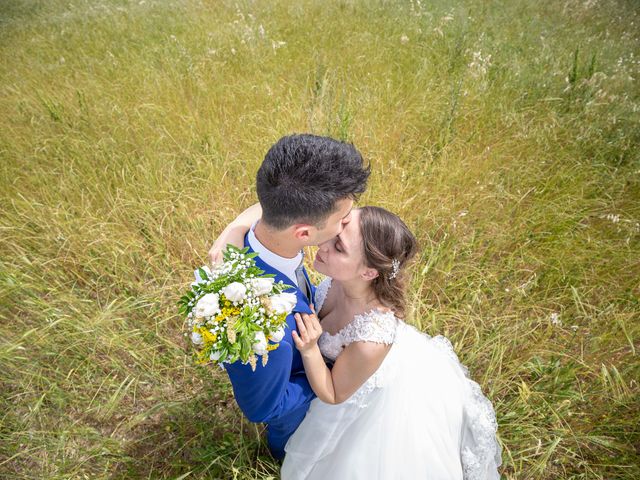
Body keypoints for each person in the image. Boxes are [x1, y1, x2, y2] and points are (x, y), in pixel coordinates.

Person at [215, 205, 502, 478]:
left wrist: (311, 350)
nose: (322, 245)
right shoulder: (342, 277)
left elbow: (334, 393)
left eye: (338, 247)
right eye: (335, 233)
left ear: (368, 272)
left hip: (353, 388)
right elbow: (273, 207)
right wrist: (234, 229)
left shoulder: (372, 339)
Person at [207, 133, 370, 460]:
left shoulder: (263, 225)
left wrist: (232, 229)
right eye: (342, 220)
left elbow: (259, 207)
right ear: (305, 233)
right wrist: (328, 369)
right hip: (295, 423)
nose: (348, 223)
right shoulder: (259, 322)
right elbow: (263, 407)